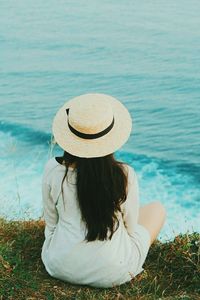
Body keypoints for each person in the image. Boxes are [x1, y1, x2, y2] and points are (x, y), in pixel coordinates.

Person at [41, 93, 166, 288]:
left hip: (58, 265)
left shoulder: (53, 169)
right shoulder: (124, 175)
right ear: (110, 138)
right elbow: (130, 227)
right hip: (113, 272)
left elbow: (51, 224)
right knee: (157, 208)